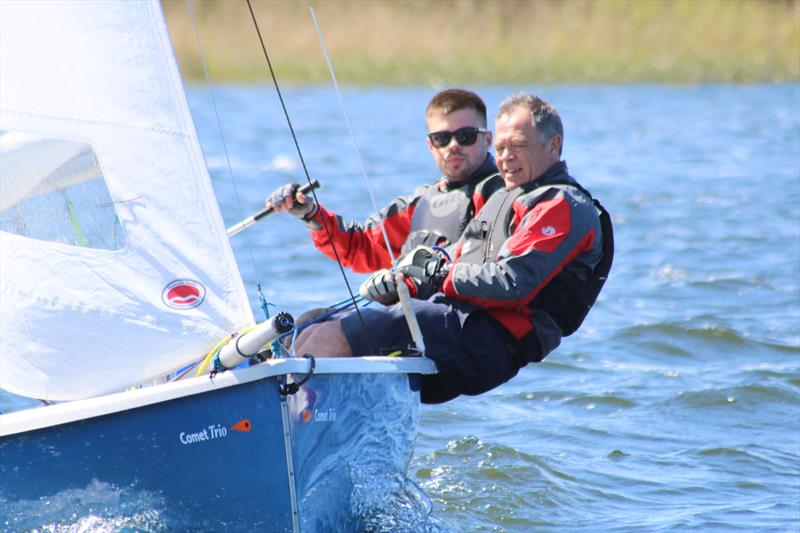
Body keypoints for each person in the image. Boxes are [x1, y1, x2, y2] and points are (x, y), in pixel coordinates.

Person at [293, 93, 614, 404]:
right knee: (309, 326)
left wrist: (436, 273)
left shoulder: (561, 204)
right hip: (456, 321)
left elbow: (512, 283)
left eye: (518, 145)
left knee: (331, 338)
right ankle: (284, 410)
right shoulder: (509, 196)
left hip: (492, 339)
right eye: (502, 148)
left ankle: (296, 424)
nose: (505, 157)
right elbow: (457, 255)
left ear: (553, 145)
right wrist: (405, 280)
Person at [265, 88, 503, 274]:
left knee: (328, 336)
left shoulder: (506, 194)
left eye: (465, 136)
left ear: (487, 139)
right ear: (430, 145)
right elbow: (362, 247)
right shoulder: (419, 205)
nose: (453, 145)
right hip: (415, 316)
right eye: (442, 138)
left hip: (466, 323)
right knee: (307, 325)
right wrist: (311, 214)